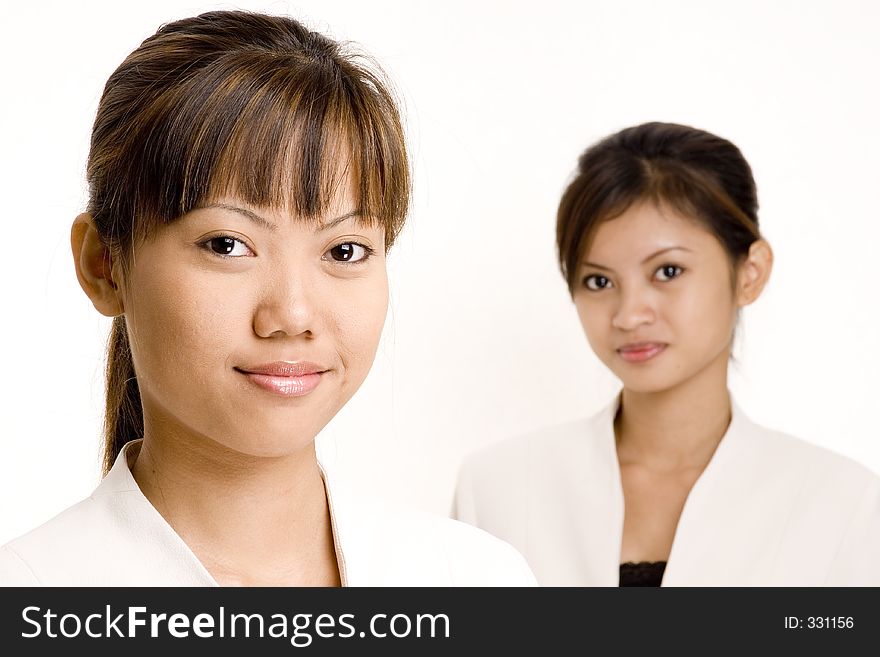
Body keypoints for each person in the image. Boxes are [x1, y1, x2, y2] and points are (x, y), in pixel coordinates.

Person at [0, 10, 534, 587]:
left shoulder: (477, 578)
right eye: (228, 244)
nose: (294, 315)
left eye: (345, 251)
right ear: (104, 265)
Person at [453, 122, 880, 586]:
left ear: (750, 273)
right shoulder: (497, 490)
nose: (629, 315)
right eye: (599, 281)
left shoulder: (842, 505)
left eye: (668, 271)